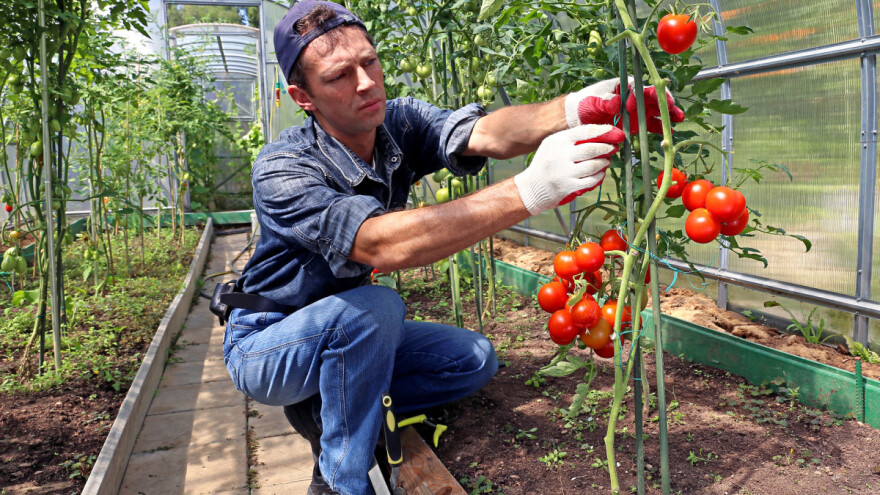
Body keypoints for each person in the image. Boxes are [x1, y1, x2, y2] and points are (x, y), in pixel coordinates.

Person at [222, 1, 683, 494]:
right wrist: (527, 192)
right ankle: (340, 481)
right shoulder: (282, 167)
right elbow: (377, 244)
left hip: (347, 333)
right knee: (376, 307)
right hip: (268, 344)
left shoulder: (395, 124)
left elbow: (485, 133)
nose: (365, 83)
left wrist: (574, 109)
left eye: (369, 62)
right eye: (339, 76)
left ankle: (330, 401)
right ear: (303, 96)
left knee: (471, 359)